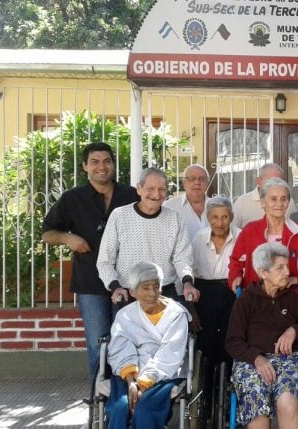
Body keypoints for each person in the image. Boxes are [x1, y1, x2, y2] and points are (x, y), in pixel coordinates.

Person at [41, 142, 138, 384]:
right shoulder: (72, 198)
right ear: (85, 166)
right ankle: (99, 404)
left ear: (113, 165)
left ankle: (125, 401)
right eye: (94, 161)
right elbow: (47, 233)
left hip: (128, 282)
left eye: (106, 161)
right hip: (90, 283)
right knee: (98, 344)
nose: (101, 167)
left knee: (128, 342)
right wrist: (67, 237)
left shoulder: (131, 195)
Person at [225, 243, 298, 429]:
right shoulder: (247, 300)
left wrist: (295, 330)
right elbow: (233, 341)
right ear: (263, 273)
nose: (287, 272)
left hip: (289, 361)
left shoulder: (293, 299)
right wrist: (256, 358)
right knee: (258, 411)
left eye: (287, 266)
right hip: (252, 364)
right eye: (280, 268)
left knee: (288, 404)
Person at [105, 261, 191, 429]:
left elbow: (170, 354)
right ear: (133, 292)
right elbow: (120, 349)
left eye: (156, 287)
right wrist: (131, 381)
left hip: (163, 375)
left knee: (145, 410)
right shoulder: (125, 315)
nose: (152, 293)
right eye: (145, 288)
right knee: (119, 407)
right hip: (129, 374)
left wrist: (144, 384)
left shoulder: (176, 314)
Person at [97, 167, 199, 304]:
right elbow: (105, 261)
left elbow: (183, 258)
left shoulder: (175, 218)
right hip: (128, 293)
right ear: (139, 189)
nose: (156, 195)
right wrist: (115, 287)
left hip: (164, 293)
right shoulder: (119, 216)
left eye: (162, 189)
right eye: (150, 189)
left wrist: (187, 282)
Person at [228, 177, 298, 291]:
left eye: (284, 199)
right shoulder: (250, 230)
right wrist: (235, 277)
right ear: (263, 203)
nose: (279, 203)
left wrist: (296, 279)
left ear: (288, 203)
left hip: (288, 295)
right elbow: (236, 262)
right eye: (273, 199)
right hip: (255, 295)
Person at [192, 196, 240, 362]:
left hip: (231, 291)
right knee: (206, 338)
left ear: (231, 217)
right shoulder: (199, 238)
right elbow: (191, 271)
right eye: (215, 217)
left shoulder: (241, 236)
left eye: (224, 217)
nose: (220, 223)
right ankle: (208, 382)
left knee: (230, 337)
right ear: (208, 218)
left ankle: (227, 378)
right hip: (204, 292)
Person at [232, 163, 297, 229]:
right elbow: (231, 232)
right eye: (270, 182)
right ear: (259, 181)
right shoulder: (242, 202)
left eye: (279, 181)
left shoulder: (289, 202)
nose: (275, 185)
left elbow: (295, 230)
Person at [163, 164, 210, 239]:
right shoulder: (169, 207)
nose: (197, 182)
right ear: (183, 182)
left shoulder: (218, 206)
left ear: (207, 182)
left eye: (202, 179)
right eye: (192, 178)